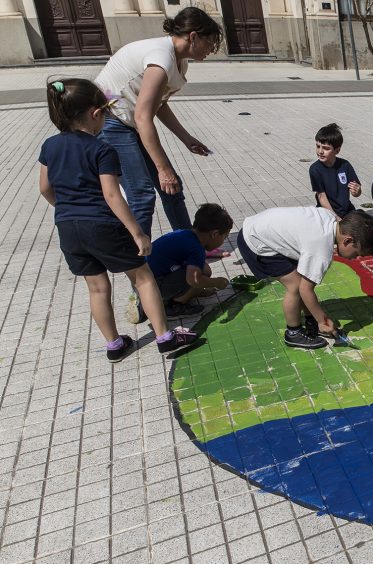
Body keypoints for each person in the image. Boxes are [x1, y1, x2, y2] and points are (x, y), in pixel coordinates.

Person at [39, 78, 199, 362]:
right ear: (96, 114)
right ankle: (164, 337)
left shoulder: (49, 145)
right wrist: (137, 232)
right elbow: (112, 195)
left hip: (67, 227)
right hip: (102, 224)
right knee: (143, 277)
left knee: (97, 287)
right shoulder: (101, 149)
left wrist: (65, 208)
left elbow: (45, 188)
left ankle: (114, 345)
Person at [94, 7, 223, 254]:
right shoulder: (161, 58)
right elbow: (144, 117)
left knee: (172, 189)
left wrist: (187, 139)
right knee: (142, 194)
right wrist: (163, 170)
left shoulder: (178, 60)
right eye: (210, 42)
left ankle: (191, 249)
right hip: (112, 122)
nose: (212, 49)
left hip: (129, 122)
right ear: (193, 36)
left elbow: (158, 104)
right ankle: (140, 270)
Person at [237, 207, 373, 350]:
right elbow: (305, 289)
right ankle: (293, 333)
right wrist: (322, 319)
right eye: (356, 253)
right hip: (255, 241)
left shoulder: (330, 218)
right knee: (295, 286)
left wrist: (316, 317)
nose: (354, 258)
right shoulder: (321, 249)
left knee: (301, 280)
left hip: (259, 228)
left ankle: (310, 321)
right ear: (347, 241)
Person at [129, 203, 234, 322]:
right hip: (152, 286)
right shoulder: (196, 248)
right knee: (199, 275)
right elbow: (193, 279)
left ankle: (151, 300)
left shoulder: (185, 234)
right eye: (224, 237)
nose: (223, 241)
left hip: (141, 280)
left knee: (204, 269)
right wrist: (217, 282)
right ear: (214, 234)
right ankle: (172, 306)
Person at [310, 123, 361, 218]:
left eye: (326, 148)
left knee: (365, 225)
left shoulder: (345, 165)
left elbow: (357, 191)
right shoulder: (315, 169)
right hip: (326, 213)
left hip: (347, 211)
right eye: (318, 146)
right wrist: (335, 217)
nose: (320, 151)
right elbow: (321, 196)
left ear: (337, 150)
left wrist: (357, 191)